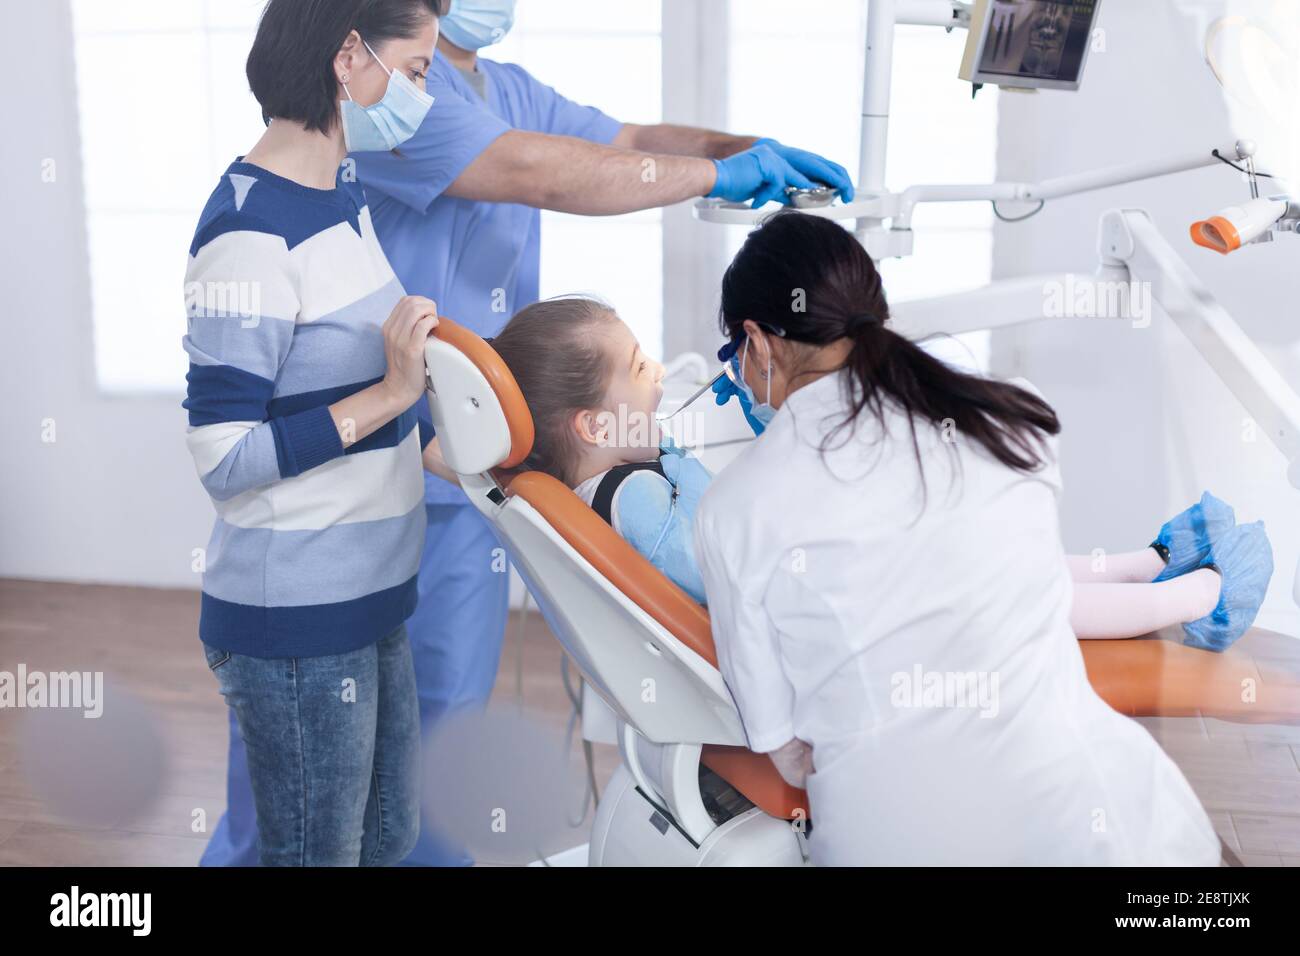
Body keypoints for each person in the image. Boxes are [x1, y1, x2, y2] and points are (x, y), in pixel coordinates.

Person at [290, 0, 854, 866]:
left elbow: (630, 140)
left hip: (474, 453)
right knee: (322, 740)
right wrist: (713, 181)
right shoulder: (390, 96)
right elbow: (541, 173)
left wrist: (739, 150)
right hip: (383, 448)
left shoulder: (503, 87)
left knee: (442, 720)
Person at [489, 293, 1273, 651]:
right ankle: (1196, 593)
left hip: (820, 590)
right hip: (826, 617)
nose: (658, 371)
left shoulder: (628, 472)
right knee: (1007, 593)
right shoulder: (628, 498)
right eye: (638, 366)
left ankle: (1150, 563)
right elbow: (720, 564)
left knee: (981, 555)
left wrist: (736, 431)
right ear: (593, 424)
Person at [187, 0, 454, 866]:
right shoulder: (248, 235)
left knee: (388, 840)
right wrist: (389, 393)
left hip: (371, 596)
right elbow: (227, 460)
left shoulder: (338, 192)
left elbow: (352, 387)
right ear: (349, 58)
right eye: (414, 71)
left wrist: (492, 465)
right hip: (296, 619)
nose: (423, 94)